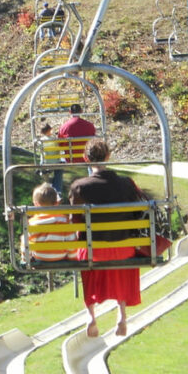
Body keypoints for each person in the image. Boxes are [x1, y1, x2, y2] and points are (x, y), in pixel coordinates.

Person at [69, 138, 143, 338]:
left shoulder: (79, 187)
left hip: (94, 250)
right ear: (109, 156)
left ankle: (91, 315)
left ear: (85, 158)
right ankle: (122, 313)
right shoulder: (126, 184)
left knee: (87, 256)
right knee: (123, 259)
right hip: (124, 248)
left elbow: (74, 219)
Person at [27, 182, 77, 262]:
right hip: (60, 256)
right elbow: (72, 241)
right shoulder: (64, 220)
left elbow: (25, 243)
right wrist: (72, 257)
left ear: (36, 204)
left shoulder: (32, 222)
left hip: (40, 257)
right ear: (56, 203)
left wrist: (26, 259)